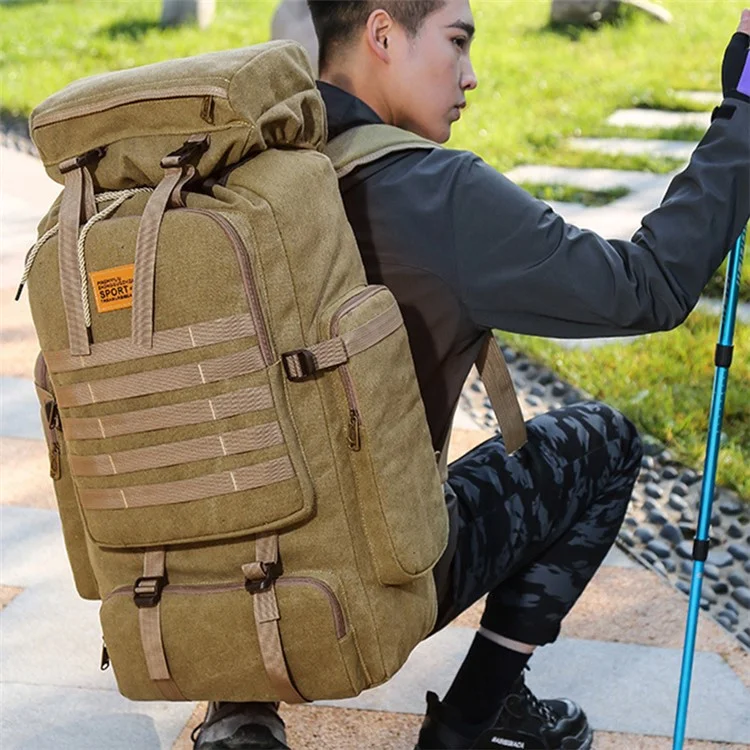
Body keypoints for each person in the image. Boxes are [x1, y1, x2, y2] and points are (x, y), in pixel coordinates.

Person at [193, 3, 750, 748]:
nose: (472, 75)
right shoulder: (437, 193)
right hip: (355, 599)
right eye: (457, 42)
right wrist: (743, 110)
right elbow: (646, 286)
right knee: (603, 442)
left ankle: (238, 712)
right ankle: (473, 721)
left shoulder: (222, 176)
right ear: (382, 34)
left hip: (191, 594)